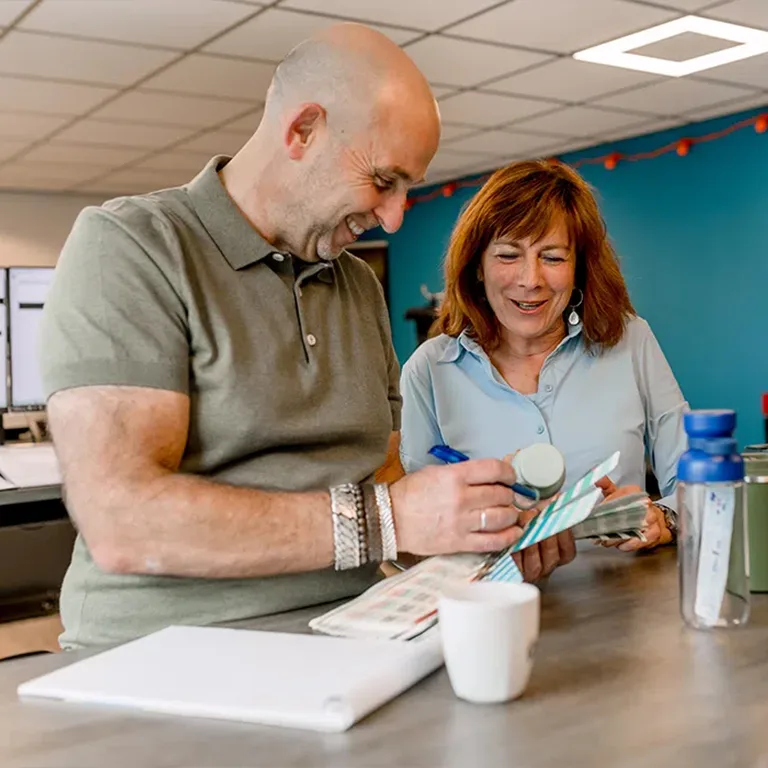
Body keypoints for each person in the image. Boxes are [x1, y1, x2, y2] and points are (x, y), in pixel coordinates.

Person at [40, 24, 528, 650]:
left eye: (409, 190)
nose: (394, 217)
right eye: (383, 180)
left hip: (357, 630)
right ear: (302, 131)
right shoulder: (133, 247)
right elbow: (123, 520)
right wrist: (391, 518)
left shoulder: (357, 286)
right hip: (169, 650)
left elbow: (381, 484)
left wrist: (473, 532)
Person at [400, 160, 688, 579]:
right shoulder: (429, 370)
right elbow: (417, 534)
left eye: (552, 257)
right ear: (477, 266)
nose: (530, 279)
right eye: (507, 255)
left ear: (579, 268)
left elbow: (696, 482)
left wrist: (664, 518)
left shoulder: (631, 342)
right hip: (492, 611)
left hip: (627, 605)